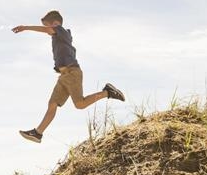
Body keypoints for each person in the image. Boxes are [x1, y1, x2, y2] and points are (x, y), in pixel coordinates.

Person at [12, 10, 125, 143]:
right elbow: (49, 31)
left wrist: (25, 27)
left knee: (80, 104)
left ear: (55, 23)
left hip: (72, 73)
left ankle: (107, 92)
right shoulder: (58, 36)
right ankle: (38, 133)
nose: (48, 30)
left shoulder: (61, 31)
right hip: (63, 76)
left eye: (48, 25)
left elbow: (48, 30)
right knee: (52, 104)